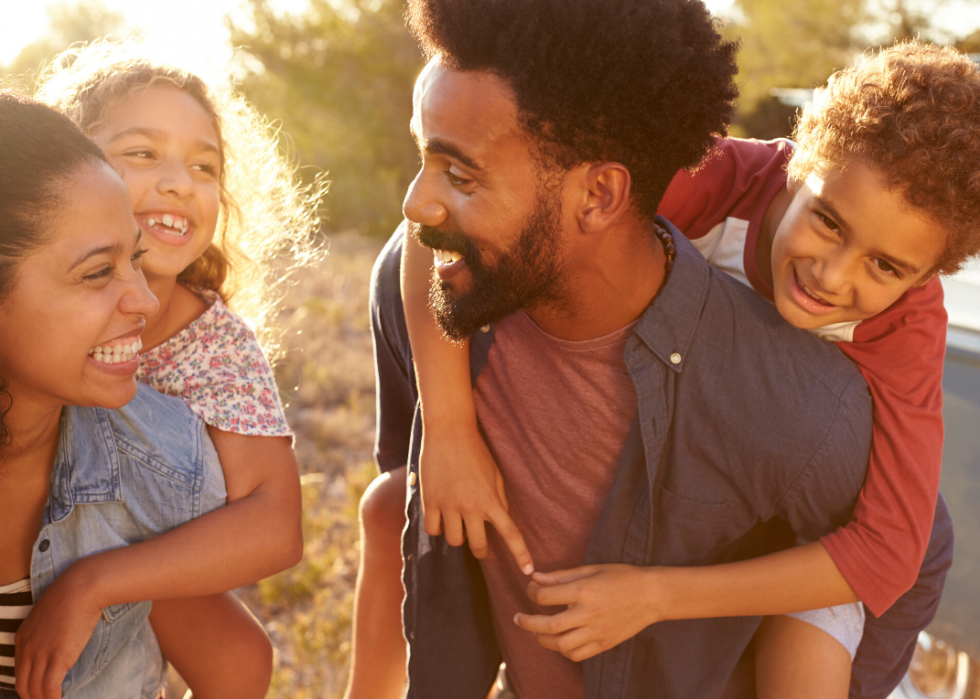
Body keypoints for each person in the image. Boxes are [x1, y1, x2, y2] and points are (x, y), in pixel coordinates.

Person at [360, 2, 955, 698]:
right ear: (801, 172)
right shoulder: (712, 178)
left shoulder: (900, 334)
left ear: (924, 273)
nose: (834, 273)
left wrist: (657, 594)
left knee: (816, 640)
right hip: (717, 468)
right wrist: (452, 431)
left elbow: (894, 551)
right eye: (826, 221)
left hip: (833, 548)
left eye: (885, 266)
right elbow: (459, 212)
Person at [20, 38, 324, 698]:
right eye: (142, 153)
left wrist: (101, 581)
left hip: (136, 595)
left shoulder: (214, 344)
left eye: (205, 167)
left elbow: (275, 524)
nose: (180, 182)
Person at [0, 91, 222, 699]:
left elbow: (237, 662)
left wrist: (102, 582)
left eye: (137, 259)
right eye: (98, 272)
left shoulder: (162, 461)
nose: (145, 301)